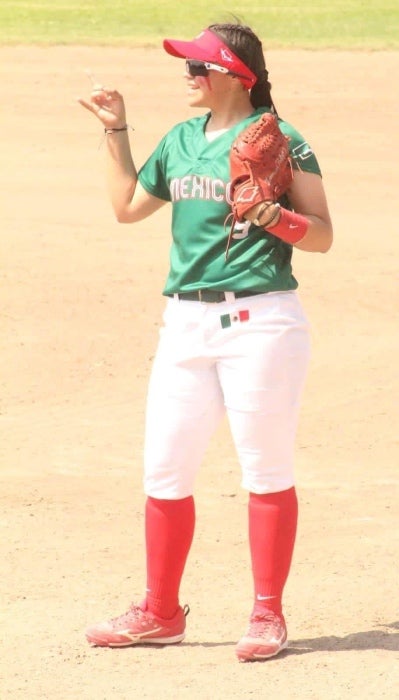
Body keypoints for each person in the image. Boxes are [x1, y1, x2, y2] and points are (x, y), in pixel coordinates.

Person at [78, 22, 333, 662]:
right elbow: (127, 208)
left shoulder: (282, 141)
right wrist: (116, 130)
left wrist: (280, 217)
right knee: (165, 469)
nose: (187, 76)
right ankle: (160, 611)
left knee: (265, 469)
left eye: (197, 66)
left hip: (263, 322)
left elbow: (323, 234)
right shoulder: (181, 140)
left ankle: (267, 615)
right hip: (184, 325)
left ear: (232, 73)